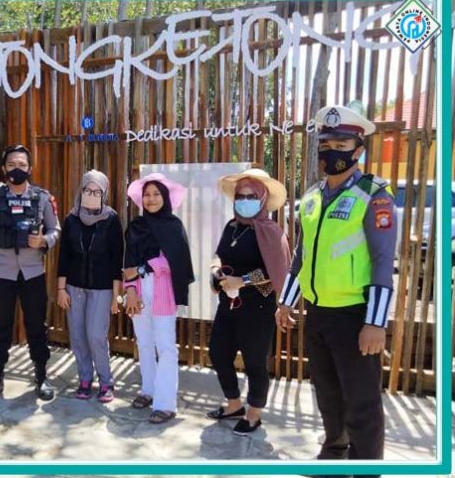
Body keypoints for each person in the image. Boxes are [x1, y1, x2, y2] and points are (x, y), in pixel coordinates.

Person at [275, 105, 397, 475]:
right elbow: (302, 254)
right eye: (326, 144)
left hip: (355, 315)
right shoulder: (312, 197)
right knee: (327, 393)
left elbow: (383, 260)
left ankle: (365, 467)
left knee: (361, 401)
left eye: (341, 145)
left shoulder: (374, 195)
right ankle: (334, 450)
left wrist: (375, 323)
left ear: (358, 150)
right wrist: (286, 302)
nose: (331, 151)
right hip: (318, 313)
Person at [207, 168, 291, 435]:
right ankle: (234, 404)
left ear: (263, 198)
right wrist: (215, 269)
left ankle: (254, 413)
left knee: (255, 361)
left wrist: (242, 281)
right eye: (240, 196)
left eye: (251, 196)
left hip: (258, 306)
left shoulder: (271, 231)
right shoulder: (231, 227)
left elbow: (276, 272)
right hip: (228, 304)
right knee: (218, 353)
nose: (245, 201)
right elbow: (219, 254)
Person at [0, 144, 61, 402]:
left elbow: (56, 230)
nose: (17, 169)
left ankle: (41, 376)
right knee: (0, 327)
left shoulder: (42, 198)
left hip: (33, 273)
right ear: (4, 168)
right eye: (12, 164)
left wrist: (44, 240)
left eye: (22, 165)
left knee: (36, 326)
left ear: (30, 168)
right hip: (0, 274)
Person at [123, 173, 194, 424]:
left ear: (165, 197)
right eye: (147, 194)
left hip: (163, 292)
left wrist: (143, 268)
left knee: (165, 347)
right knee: (144, 343)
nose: (151, 199)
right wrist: (130, 290)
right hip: (139, 292)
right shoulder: (136, 226)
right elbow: (128, 263)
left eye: (156, 194)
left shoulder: (173, 226)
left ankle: (165, 404)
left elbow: (173, 263)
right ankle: (148, 390)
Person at [56, 170, 123, 403]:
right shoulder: (71, 218)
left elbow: (117, 259)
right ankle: (85, 379)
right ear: (80, 191)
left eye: (97, 191)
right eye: (87, 190)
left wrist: (116, 296)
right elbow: (64, 257)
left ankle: (106, 382)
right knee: (78, 336)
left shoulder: (111, 219)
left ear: (104, 194)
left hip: (102, 288)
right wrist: (61, 289)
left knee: (96, 336)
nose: (92, 194)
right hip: (74, 288)